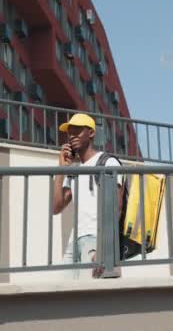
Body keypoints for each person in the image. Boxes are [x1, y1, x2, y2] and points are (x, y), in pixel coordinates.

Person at [52, 113, 122, 279]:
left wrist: (103, 247)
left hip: (95, 239)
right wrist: (61, 168)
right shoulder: (74, 171)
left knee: (94, 295)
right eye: (70, 132)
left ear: (91, 133)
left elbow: (117, 207)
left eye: (77, 131)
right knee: (67, 296)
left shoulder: (107, 162)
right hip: (73, 242)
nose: (72, 136)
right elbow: (56, 207)